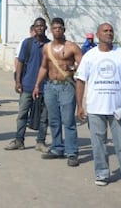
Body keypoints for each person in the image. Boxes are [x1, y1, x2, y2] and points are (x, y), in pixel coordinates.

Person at [75, 23, 121, 188]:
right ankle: (102, 173)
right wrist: (80, 106)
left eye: (111, 30)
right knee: (98, 145)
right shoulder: (90, 56)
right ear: (98, 35)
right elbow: (80, 81)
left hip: (117, 109)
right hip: (95, 109)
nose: (109, 33)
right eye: (105, 31)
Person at [33, 18, 82, 167]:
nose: (57, 31)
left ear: (64, 29)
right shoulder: (46, 48)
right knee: (53, 120)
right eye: (54, 28)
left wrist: (73, 69)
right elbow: (43, 67)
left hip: (66, 86)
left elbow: (84, 65)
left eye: (60, 28)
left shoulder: (72, 47)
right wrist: (37, 85)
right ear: (51, 30)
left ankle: (72, 152)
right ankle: (57, 148)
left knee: (68, 120)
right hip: (50, 86)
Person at [4, 17, 49, 152]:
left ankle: (40, 142)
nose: (40, 28)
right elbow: (21, 63)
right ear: (34, 28)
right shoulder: (27, 43)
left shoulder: (49, 45)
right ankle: (19, 140)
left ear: (46, 28)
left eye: (42, 26)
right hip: (27, 86)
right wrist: (18, 81)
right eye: (37, 26)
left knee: (44, 117)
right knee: (22, 114)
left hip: (45, 87)